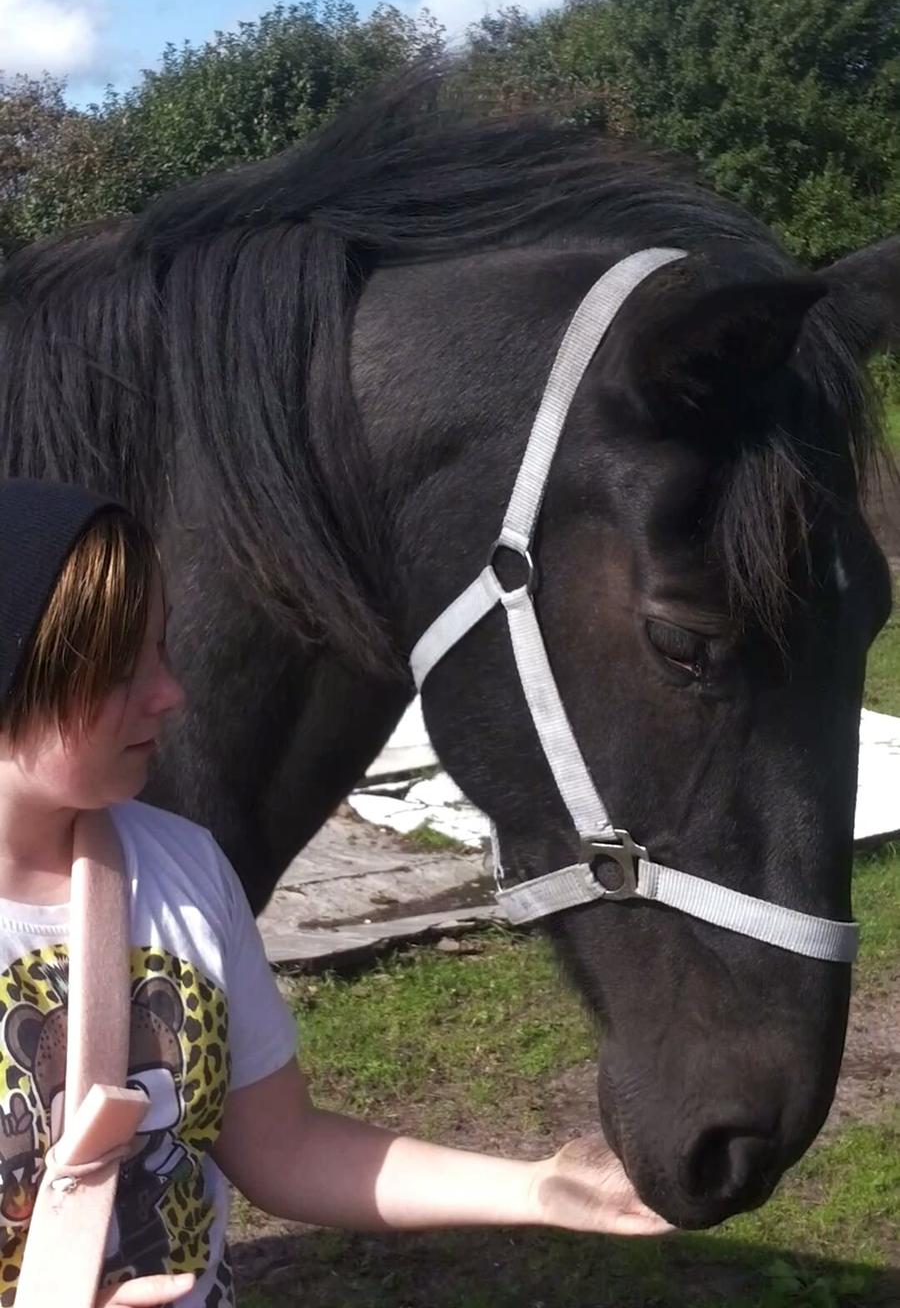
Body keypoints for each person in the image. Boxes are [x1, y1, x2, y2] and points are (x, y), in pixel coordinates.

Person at [0, 479, 669, 1307]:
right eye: (115, 670)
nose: (169, 694)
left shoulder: (186, 870)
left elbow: (282, 1148)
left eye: (162, 651)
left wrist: (536, 1189)